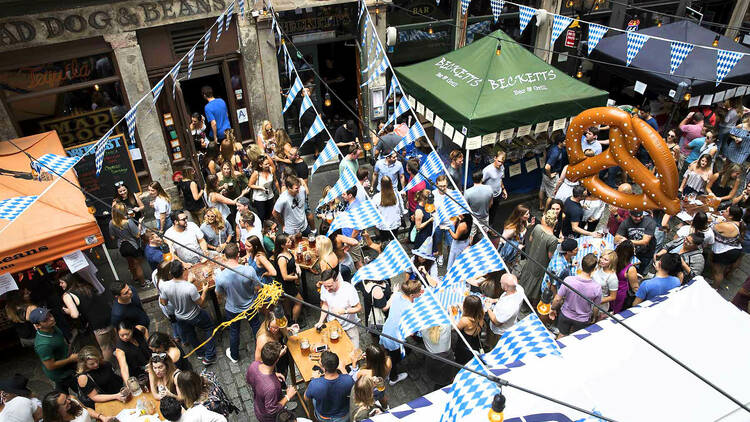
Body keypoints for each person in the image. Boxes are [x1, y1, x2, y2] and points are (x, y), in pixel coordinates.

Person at [159, 260, 217, 365]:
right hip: (195, 315)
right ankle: (210, 355)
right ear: (182, 271)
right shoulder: (190, 288)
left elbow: (163, 302)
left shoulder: (165, 286)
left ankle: (200, 353)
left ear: (171, 273)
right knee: (209, 327)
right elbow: (201, 303)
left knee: (190, 334)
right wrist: (204, 290)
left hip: (179, 316)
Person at [215, 243, 262, 363]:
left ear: (225, 257)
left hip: (232, 307)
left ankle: (234, 356)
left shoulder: (220, 276)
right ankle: (262, 351)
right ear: (238, 255)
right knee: (256, 326)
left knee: (234, 330)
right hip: (250, 304)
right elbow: (258, 287)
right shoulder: (249, 270)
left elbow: (218, 293)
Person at [59, 273, 114, 362]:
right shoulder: (85, 287)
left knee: (105, 347)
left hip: (98, 322)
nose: (60, 285)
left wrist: (68, 311)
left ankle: (108, 368)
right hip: (109, 314)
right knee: (116, 341)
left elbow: (75, 314)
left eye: (62, 282)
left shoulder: (67, 295)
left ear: (68, 281)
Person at [379, 277, 422, 385]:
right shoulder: (411, 308)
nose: (421, 293)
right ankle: (392, 377)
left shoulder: (397, 295)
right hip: (394, 337)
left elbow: (388, 305)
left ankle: (388, 363)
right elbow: (412, 331)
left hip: (386, 330)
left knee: (391, 352)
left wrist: (394, 292)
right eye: (419, 292)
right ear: (412, 295)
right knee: (394, 359)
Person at [550, 253, 601, 337]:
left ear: (581, 264)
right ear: (594, 269)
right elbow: (596, 307)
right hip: (582, 319)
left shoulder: (569, 280)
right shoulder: (596, 287)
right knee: (577, 339)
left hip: (566, 314)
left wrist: (553, 309)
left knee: (561, 336)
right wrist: (594, 317)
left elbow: (557, 299)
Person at [246, 341, 297, 422]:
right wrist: (288, 396)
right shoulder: (272, 387)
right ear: (276, 360)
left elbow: (250, 380)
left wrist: (273, 374)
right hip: (269, 418)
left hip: (258, 406)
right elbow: (271, 410)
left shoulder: (254, 365)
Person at [30, 308, 77, 393]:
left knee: (63, 391)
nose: (51, 319)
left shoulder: (52, 327)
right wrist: (70, 359)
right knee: (81, 390)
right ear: (38, 326)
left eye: (50, 315)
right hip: (61, 374)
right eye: (45, 320)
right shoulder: (43, 345)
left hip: (67, 365)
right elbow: (50, 366)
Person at [518, 210, 559, 305]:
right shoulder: (552, 239)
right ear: (555, 222)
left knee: (526, 276)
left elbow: (530, 239)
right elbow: (550, 256)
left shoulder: (537, 227)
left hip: (532, 257)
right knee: (536, 282)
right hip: (541, 264)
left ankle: (522, 294)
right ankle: (531, 302)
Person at [315, 267, 362, 349]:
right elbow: (325, 304)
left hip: (349, 326)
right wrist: (320, 321)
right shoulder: (324, 287)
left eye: (329, 286)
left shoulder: (348, 289)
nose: (327, 289)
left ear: (336, 280)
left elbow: (358, 308)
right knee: (337, 350)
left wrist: (345, 311)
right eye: (325, 286)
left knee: (354, 351)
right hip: (333, 326)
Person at [305, 351, 355, 422]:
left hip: (324, 417)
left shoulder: (314, 384)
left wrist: (313, 380)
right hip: (344, 416)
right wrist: (343, 369)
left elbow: (306, 398)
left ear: (324, 368)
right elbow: (354, 389)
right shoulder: (348, 380)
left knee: (313, 397)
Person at [109, 202, 147, 287]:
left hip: (122, 246)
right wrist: (140, 224)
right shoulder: (128, 222)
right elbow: (137, 234)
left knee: (130, 262)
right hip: (132, 245)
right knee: (137, 265)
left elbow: (112, 237)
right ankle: (143, 283)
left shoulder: (111, 223)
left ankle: (135, 278)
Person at [487, 274, 525, 348]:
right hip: (509, 323)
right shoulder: (519, 289)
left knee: (494, 347)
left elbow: (497, 322)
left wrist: (487, 308)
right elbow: (504, 297)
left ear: (506, 287)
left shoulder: (508, 307)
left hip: (499, 333)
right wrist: (494, 300)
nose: (500, 282)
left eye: (501, 282)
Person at [711, 205, 745, 289]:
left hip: (726, 252)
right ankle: (715, 282)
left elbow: (711, 227)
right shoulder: (738, 222)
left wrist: (717, 221)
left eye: (726, 211)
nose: (723, 212)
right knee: (719, 269)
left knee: (718, 271)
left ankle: (715, 288)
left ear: (731, 216)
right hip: (732, 249)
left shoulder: (728, 226)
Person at [274, 234, 303, 325]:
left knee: (287, 301)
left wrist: (297, 266)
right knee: (300, 301)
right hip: (286, 284)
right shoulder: (282, 258)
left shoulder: (288, 251)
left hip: (290, 282)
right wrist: (297, 277)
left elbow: (294, 261)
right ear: (282, 245)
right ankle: (294, 322)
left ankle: (289, 318)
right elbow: (285, 277)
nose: (290, 242)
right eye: (288, 242)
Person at [113, 319, 150, 383]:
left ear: (132, 329)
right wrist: (129, 383)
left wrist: (148, 343)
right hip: (141, 372)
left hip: (151, 361)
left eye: (127, 334)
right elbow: (123, 368)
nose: (125, 337)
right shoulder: (120, 349)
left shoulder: (138, 330)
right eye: (121, 335)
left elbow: (144, 329)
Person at [41, 391, 113, 422]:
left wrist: (101, 417)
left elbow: (86, 409)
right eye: (64, 402)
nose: (69, 401)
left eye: (66, 397)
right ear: (56, 411)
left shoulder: (72, 399)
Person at [453, 295, 484, 365]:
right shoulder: (481, 314)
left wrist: (451, 312)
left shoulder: (465, 320)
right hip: (475, 342)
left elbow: (455, 328)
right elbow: (472, 314)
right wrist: (462, 309)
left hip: (465, 347)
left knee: (462, 362)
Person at [373, 175, 406, 241]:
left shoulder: (376, 197)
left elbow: (374, 212)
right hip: (395, 223)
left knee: (384, 241)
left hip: (383, 225)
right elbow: (402, 208)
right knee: (394, 240)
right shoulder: (397, 194)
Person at [540, 134, 566, 209]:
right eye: (565, 141)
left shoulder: (553, 146)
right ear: (560, 142)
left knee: (542, 188)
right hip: (551, 175)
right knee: (552, 195)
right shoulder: (556, 152)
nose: (567, 142)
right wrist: (550, 175)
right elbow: (547, 167)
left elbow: (545, 154)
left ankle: (541, 205)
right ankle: (545, 211)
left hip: (544, 174)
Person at [465, 171, 493, 239]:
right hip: (484, 217)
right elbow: (491, 203)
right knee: (483, 236)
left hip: (473, 218)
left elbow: (466, 207)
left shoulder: (468, 192)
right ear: (482, 179)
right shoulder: (489, 188)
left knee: (471, 236)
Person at [612, 240, 639, 313]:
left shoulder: (613, 261)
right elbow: (635, 288)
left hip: (611, 290)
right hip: (621, 294)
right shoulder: (630, 269)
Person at [248, 156, 278, 221]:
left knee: (269, 214)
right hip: (259, 198)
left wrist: (279, 192)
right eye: (266, 164)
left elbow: (275, 181)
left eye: (268, 163)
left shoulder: (271, 170)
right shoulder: (256, 173)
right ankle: (262, 228)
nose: (268, 165)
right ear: (260, 165)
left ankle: (268, 228)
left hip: (270, 195)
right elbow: (250, 185)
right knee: (262, 215)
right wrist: (260, 187)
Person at [483, 150, 507, 227]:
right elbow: (480, 183)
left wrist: (503, 189)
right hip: (488, 196)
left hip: (498, 194)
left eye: (502, 162)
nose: (500, 164)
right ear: (495, 158)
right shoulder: (487, 170)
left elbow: (500, 179)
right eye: (499, 161)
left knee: (493, 212)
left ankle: (490, 227)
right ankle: (483, 230)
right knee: (485, 213)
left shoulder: (502, 167)